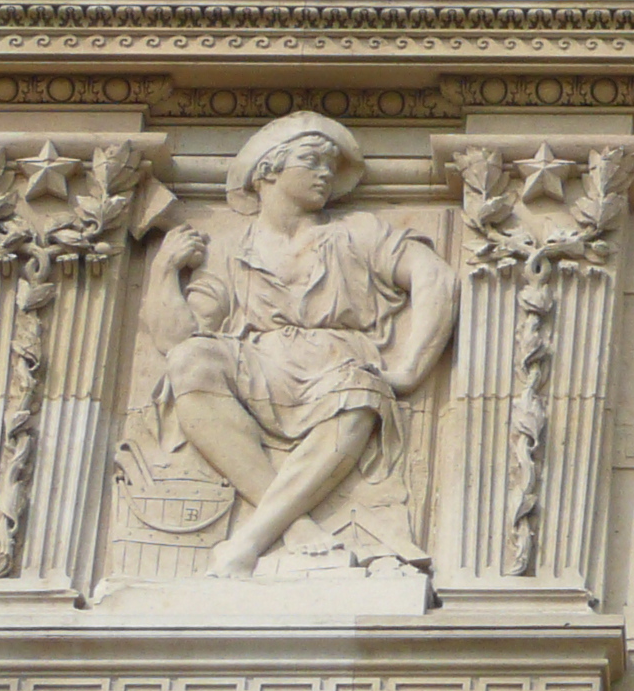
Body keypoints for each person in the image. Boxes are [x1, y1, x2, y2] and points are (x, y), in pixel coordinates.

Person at [145, 113, 455, 577]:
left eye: (331, 164)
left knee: (358, 391)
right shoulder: (230, 248)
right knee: (192, 362)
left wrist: (409, 369)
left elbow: (435, 276)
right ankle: (295, 527)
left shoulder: (359, 232)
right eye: (311, 160)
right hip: (258, 367)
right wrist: (163, 271)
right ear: (267, 170)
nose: (326, 173)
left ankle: (250, 539)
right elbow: (176, 341)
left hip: (337, 366)